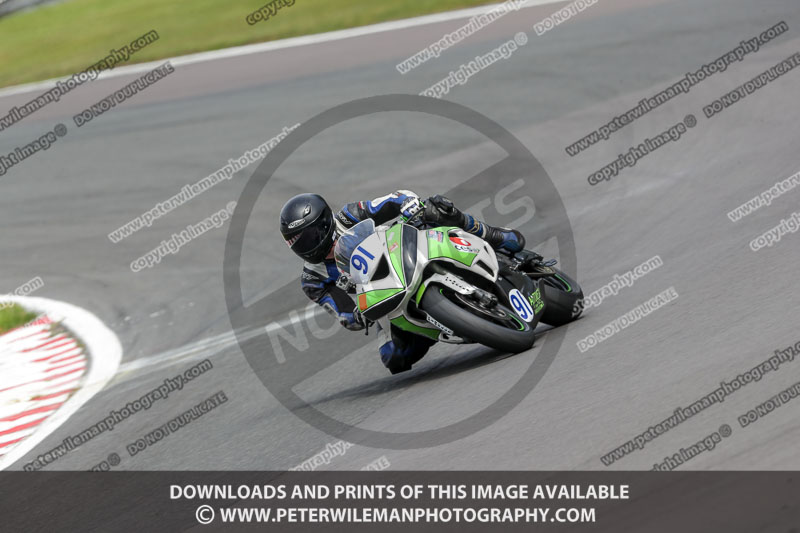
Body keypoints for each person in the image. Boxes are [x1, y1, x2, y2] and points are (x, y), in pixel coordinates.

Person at [279, 191, 525, 374]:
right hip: (385, 293)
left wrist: (407, 203)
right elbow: (342, 312)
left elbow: (393, 199)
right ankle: (443, 322)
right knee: (394, 358)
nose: (306, 247)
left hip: (405, 249)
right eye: (298, 243)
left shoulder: (348, 215)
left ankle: (494, 235)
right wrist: (357, 316)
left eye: (309, 237)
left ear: (324, 223)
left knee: (436, 209)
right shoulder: (312, 279)